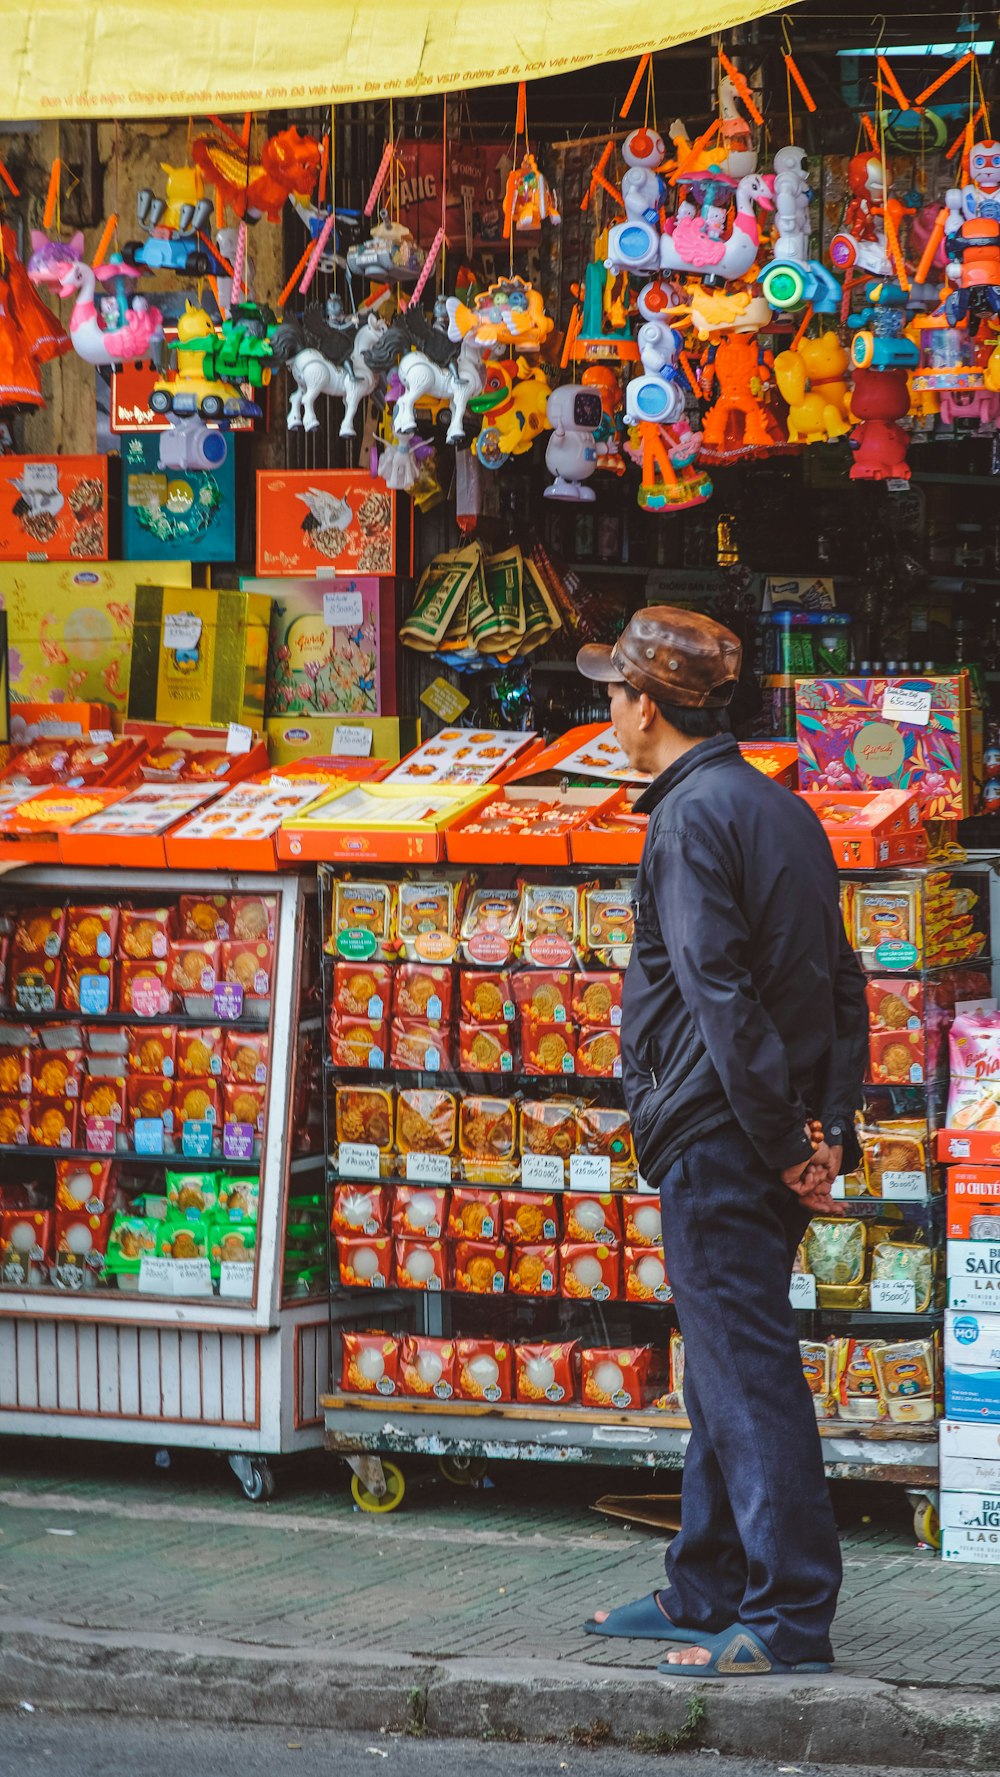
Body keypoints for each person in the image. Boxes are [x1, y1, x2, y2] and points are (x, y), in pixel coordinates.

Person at [576, 606, 868, 1680]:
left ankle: (790, 1617)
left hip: (721, 1135)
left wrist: (786, 1137)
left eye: (612, 692)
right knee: (724, 1370)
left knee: (746, 1377)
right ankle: (705, 1584)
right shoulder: (781, 808)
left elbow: (718, 991)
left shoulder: (690, 819)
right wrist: (827, 1127)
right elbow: (842, 981)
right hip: (764, 1128)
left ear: (647, 706)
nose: (606, 709)